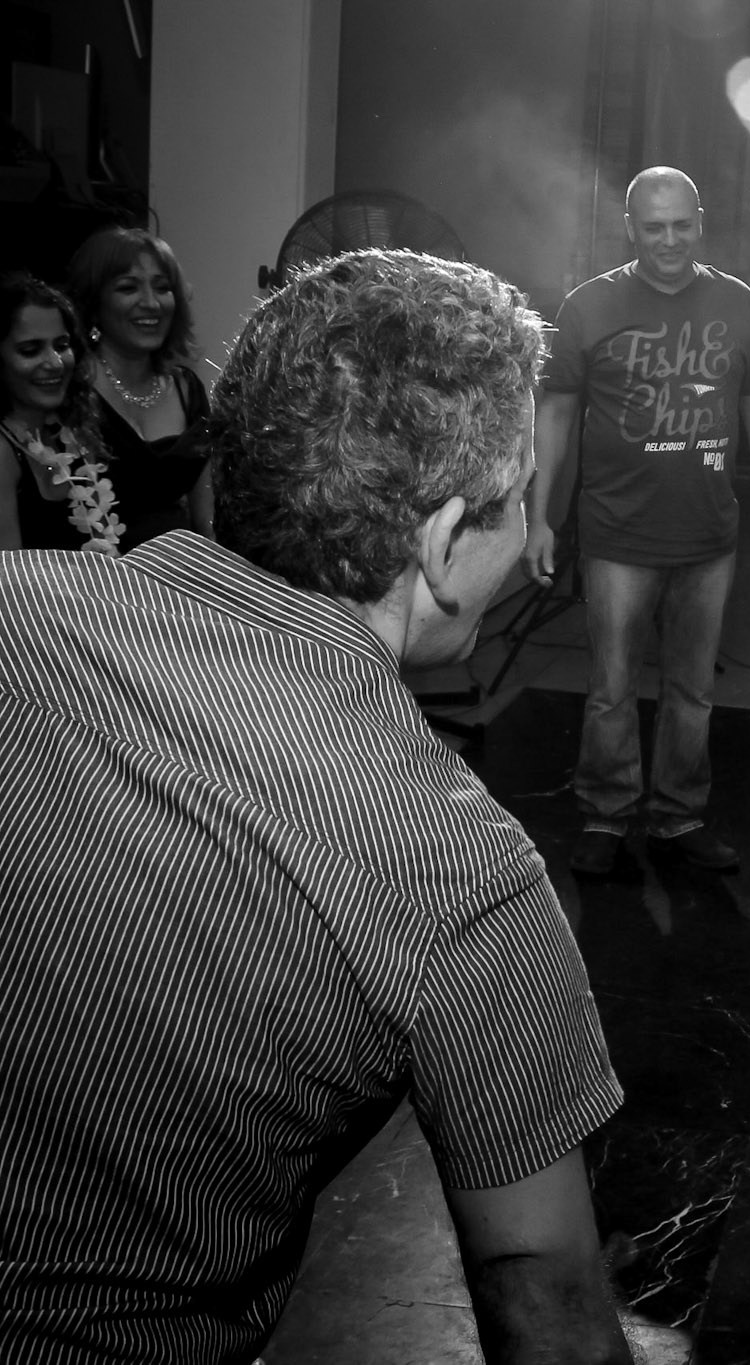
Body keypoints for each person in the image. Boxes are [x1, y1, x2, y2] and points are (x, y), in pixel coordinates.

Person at [0, 249, 630, 1363]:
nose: (528, 544)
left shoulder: (16, 602)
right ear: (439, 543)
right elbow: (549, 1305)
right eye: (518, 491)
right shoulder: (464, 882)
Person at [525, 166, 750, 877]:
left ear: (700, 221)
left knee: (693, 691)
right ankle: (605, 814)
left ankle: (679, 816)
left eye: (682, 225)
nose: (670, 240)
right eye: (654, 227)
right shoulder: (590, 306)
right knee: (611, 686)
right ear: (631, 227)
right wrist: (539, 516)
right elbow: (555, 412)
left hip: (708, 537)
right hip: (617, 535)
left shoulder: (736, 303)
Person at [67, 226, 214, 545]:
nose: (151, 303)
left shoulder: (187, 389)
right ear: (94, 301)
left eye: (162, 288)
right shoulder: (69, 389)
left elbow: (209, 524)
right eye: (128, 288)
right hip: (92, 583)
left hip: (181, 578)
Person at [0, 273, 121, 553]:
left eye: (62, 346)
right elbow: (8, 584)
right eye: (31, 350)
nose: (55, 363)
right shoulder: (3, 450)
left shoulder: (71, 431)